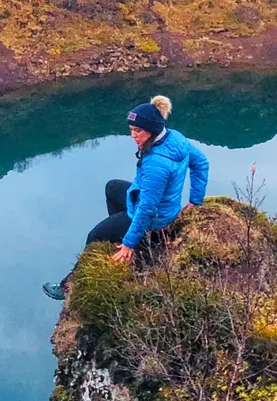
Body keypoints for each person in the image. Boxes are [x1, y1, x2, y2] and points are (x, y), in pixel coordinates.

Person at [43, 95, 209, 300]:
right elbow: (201, 162)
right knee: (112, 188)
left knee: (94, 236)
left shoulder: (156, 164)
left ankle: (68, 286)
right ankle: (122, 236)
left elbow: (147, 208)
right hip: (157, 206)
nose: (133, 135)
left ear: (152, 130)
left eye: (138, 131)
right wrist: (195, 200)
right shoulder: (175, 139)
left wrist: (130, 242)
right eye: (131, 130)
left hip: (153, 219)